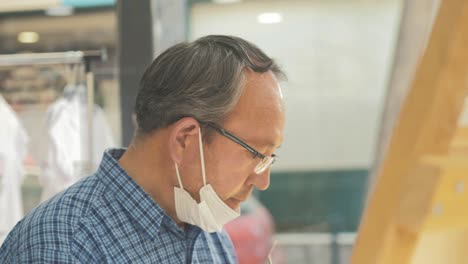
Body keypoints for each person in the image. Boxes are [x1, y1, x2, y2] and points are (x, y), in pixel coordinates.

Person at [0, 35, 285, 263]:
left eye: (269, 158)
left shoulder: (209, 238)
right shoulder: (63, 247)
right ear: (185, 140)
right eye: (255, 154)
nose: (263, 180)